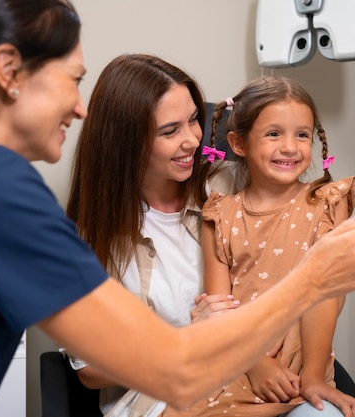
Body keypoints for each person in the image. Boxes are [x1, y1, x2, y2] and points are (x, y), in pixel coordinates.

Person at [0, 1, 355, 417]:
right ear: (8, 71)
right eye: (73, 79)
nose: (81, 106)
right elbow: (171, 372)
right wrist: (314, 279)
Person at [162, 77, 355, 417]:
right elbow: (220, 309)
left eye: (302, 134)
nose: (290, 147)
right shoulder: (219, 215)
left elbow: (327, 296)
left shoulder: (327, 203)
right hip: (237, 364)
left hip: (302, 365)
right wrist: (254, 365)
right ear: (239, 144)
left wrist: (313, 376)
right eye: (273, 134)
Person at [66, 53, 243, 416]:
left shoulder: (225, 187)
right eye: (170, 131)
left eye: (194, 119)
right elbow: (90, 370)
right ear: (125, 143)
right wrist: (188, 339)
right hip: (156, 396)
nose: (193, 139)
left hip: (243, 374)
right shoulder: (89, 239)